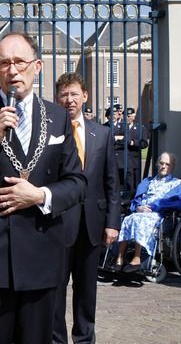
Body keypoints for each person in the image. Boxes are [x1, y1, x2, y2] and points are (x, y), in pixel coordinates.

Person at [0, 32, 85, 344]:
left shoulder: (58, 117)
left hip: (42, 254)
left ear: (37, 66)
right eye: (4, 63)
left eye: (20, 62)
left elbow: (77, 183)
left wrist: (40, 195)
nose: (13, 71)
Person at [53, 73, 121, 344]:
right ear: (58, 99)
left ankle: (84, 339)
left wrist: (113, 222)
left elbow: (111, 181)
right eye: (64, 95)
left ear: (85, 96)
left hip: (92, 224)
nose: (69, 100)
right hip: (58, 224)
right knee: (56, 289)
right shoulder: (51, 132)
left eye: (73, 94)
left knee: (86, 290)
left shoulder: (102, 134)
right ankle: (56, 339)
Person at [112, 152, 181, 273]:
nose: (164, 166)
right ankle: (119, 259)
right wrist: (139, 207)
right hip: (142, 212)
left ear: (172, 167)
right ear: (157, 164)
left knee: (140, 220)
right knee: (127, 219)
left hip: (160, 215)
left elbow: (180, 203)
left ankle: (137, 258)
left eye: (167, 164)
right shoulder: (148, 181)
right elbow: (136, 200)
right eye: (161, 163)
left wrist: (156, 205)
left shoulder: (177, 184)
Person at [125, 107, 148, 190]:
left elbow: (144, 143)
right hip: (122, 160)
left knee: (135, 183)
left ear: (133, 117)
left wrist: (133, 142)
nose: (126, 118)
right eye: (125, 115)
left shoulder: (140, 128)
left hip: (134, 160)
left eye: (128, 116)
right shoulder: (120, 128)